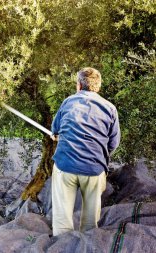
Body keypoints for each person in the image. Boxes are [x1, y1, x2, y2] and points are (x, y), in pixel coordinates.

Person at [51, 67, 120, 236]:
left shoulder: (68, 102)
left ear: (79, 86)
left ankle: (62, 244)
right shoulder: (110, 108)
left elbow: (55, 130)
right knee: (90, 222)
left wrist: (56, 136)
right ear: (98, 86)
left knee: (62, 219)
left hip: (65, 166)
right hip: (94, 169)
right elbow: (113, 143)